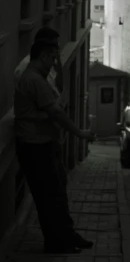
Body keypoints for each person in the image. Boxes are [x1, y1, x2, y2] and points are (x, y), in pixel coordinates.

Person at [14, 37, 96, 254]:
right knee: (49, 198)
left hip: (44, 145)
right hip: (36, 148)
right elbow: (56, 112)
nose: (55, 62)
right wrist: (80, 133)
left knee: (57, 194)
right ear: (43, 56)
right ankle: (56, 243)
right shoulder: (34, 80)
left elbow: (46, 109)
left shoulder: (38, 78)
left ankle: (67, 236)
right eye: (53, 58)